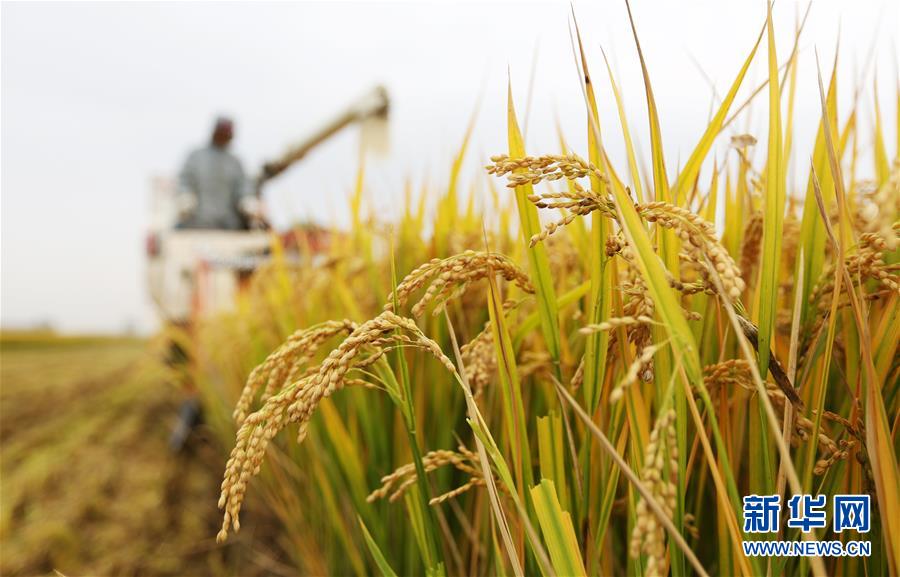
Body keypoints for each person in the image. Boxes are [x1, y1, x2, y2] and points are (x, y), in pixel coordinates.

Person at [176, 116, 263, 230]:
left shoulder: (235, 162)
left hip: (229, 226)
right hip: (197, 224)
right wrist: (185, 195)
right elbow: (185, 179)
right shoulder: (196, 157)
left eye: (226, 134)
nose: (223, 137)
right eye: (221, 133)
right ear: (214, 132)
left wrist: (247, 200)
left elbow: (243, 185)